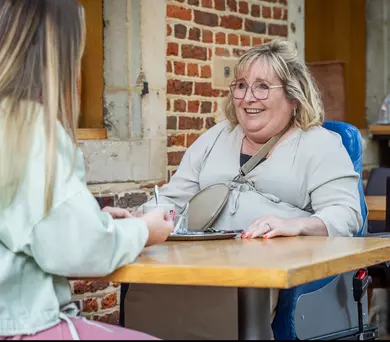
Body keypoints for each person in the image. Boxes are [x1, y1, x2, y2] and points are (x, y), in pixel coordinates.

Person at [123, 39, 363, 339]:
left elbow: (347, 215)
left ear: (292, 96)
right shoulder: (215, 137)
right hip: (199, 265)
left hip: (263, 275)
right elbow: (173, 198)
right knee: (146, 295)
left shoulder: (320, 144)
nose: (248, 98)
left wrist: (295, 225)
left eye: (262, 86)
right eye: (240, 86)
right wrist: (141, 219)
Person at [0, 0, 173, 340]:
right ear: (58, 55)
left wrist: (96, 221)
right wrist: (144, 231)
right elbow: (79, 250)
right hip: (24, 325)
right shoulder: (33, 132)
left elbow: (30, 222)